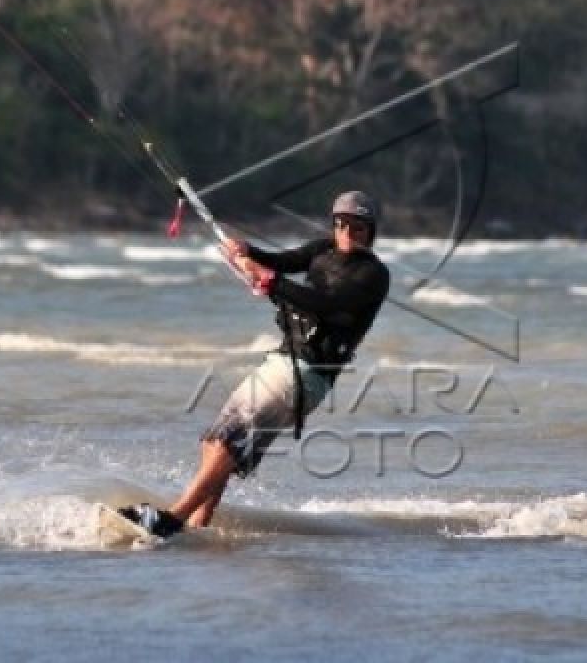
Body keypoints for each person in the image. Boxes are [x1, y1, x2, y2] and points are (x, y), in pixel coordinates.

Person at [119, 190, 391, 537]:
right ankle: (198, 525)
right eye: (342, 223)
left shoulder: (373, 275)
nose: (348, 232)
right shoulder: (322, 250)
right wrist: (248, 253)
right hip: (282, 362)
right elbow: (284, 261)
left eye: (358, 227)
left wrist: (272, 282)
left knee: (228, 443)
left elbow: (326, 305)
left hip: (306, 374)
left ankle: (170, 519)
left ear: (371, 230)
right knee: (215, 441)